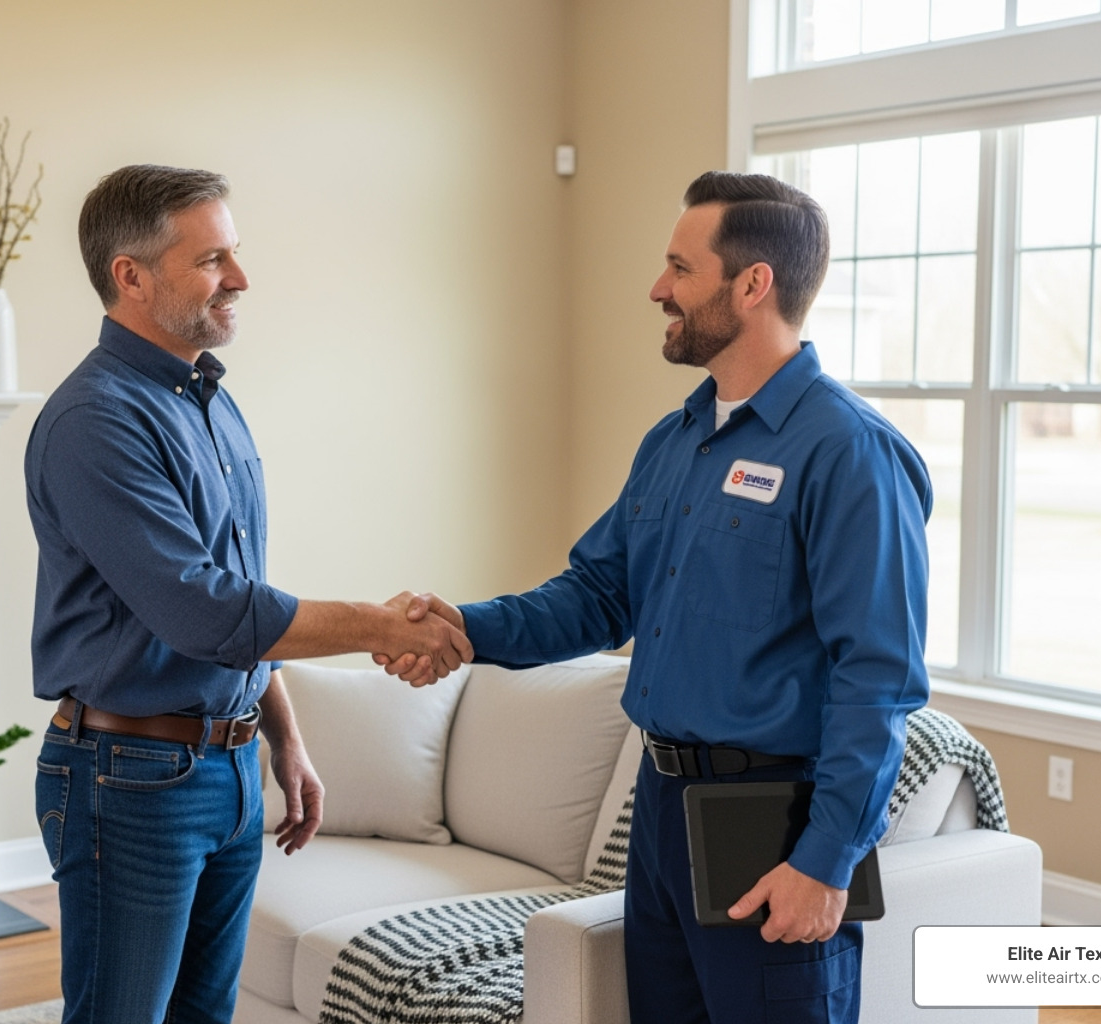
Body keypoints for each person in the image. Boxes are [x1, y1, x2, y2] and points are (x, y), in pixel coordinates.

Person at [382, 171, 932, 1023]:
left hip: (771, 820)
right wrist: (461, 628)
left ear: (752, 285)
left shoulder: (850, 452)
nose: (656, 289)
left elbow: (879, 678)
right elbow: (598, 595)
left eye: (680, 268)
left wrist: (824, 861)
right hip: (663, 809)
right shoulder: (675, 443)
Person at [25, 164, 472, 1024]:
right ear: (131, 275)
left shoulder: (208, 402)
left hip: (227, 770)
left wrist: (283, 739)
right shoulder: (96, 421)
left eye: (233, 252)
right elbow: (204, 610)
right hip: (131, 780)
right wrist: (382, 626)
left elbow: (242, 592)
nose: (240, 277)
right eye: (211, 259)